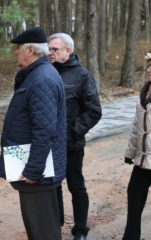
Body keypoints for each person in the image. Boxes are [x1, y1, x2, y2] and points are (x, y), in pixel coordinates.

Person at [0, 27, 67, 240]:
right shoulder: (36, 75)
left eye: (18, 48)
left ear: (30, 50)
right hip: (37, 172)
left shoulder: (41, 78)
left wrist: (33, 171)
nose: (15, 52)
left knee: (43, 232)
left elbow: (44, 130)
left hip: (38, 176)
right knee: (41, 229)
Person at [48, 33, 102, 240]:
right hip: (49, 144)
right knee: (53, 186)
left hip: (71, 144)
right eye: (49, 49)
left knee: (76, 186)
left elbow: (94, 111)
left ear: (67, 51)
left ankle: (80, 229)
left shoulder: (82, 75)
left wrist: (72, 132)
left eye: (55, 49)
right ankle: (56, 224)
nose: (50, 53)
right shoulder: (45, 71)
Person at [122, 53, 151, 240]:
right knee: (134, 196)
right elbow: (136, 128)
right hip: (143, 159)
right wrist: (130, 152)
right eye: (148, 66)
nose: (148, 70)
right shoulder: (146, 90)